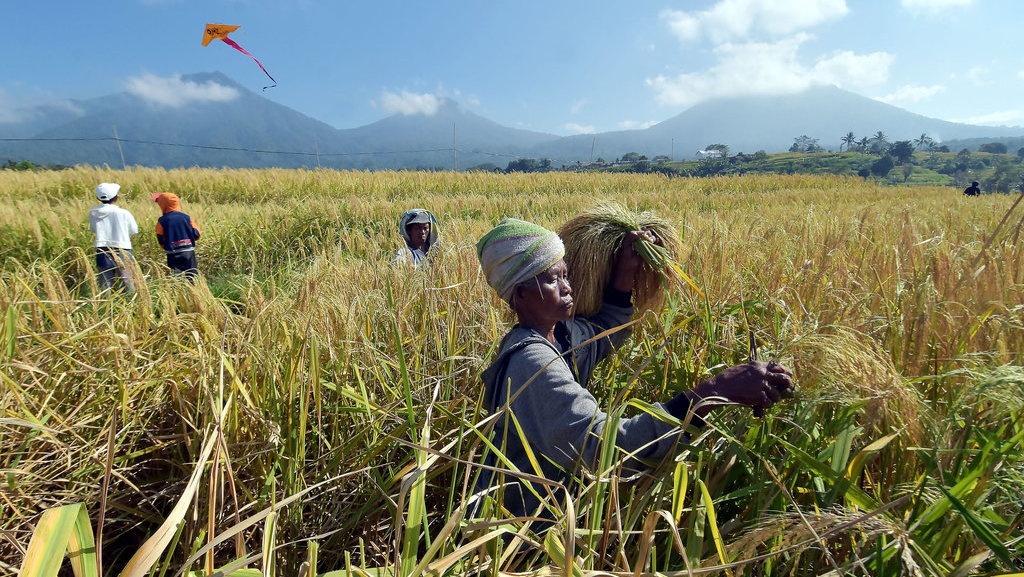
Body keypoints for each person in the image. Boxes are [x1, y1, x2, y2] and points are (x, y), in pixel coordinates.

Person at [472, 218, 794, 522]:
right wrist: (712, 392)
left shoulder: (561, 336)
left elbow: (605, 329)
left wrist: (625, 271)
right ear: (521, 293)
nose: (567, 286)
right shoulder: (533, 364)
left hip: (553, 511)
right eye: (551, 279)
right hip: (520, 526)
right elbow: (608, 448)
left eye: (565, 274)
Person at [89, 182, 139, 293]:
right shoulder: (123, 213)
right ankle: (132, 303)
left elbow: (93, 229)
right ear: (116, 198)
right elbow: (134, 230)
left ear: (98, 198)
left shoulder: (93, 213)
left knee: (105, 281)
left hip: (102, 248)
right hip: (123, 248)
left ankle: (106, 305)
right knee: (127, 279)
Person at [152, 192, 202, 280]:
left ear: (162, 205)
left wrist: (166, 246)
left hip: (172, 254)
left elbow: (160, 239)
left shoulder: (162, 221)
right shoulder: (187, 217)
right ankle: (195, 291)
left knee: (176, 279)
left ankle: (179, 293)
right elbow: (197, 234)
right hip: (188, 252)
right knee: (192, 277)